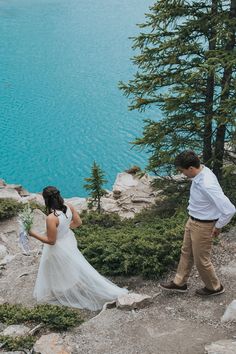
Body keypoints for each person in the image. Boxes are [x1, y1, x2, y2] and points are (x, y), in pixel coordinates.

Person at [29, 186, 128, 310]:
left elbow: (51, 241)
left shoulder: (51, 218)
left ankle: (60, 292)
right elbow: (78, 223)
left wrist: (32, 234)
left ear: (46, 200)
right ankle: (69, 286)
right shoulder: (68, 206)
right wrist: (64, 229)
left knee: (54, 267)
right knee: (68, 265)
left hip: (58, 247)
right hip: (68, 241)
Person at [160, 151, 236, 296]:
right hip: (193, 220)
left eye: (182, 171)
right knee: (186, 252)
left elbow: (229, 209)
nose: (182, 174)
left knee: (201, 260)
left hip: (203, 225)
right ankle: (179, 283)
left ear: (190, 168)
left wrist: (218, 226)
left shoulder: (207, 184)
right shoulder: (202, 171)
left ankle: (214, 287)